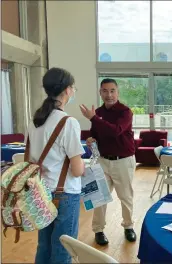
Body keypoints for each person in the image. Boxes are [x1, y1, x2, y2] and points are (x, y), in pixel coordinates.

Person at [29, 67, 85, 264]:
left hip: (40, 191)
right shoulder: (68, 122)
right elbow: (77, 170)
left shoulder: (36, 120)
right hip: (64, 194)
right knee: (63, 250)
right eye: (73, 88)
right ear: (67, 90)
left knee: (44, 246)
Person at [79, 78, 136, 245]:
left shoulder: (125, 112)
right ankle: (98, 230)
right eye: (105, 91)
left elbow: (116, 131)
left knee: (125, 197)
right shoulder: (97, 113)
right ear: (100, 93)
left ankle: (128, 226)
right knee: (99, 197)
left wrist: (94, 118)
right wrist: (91, 139)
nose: (109, 94)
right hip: (103, 161)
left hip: (123, 161)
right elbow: (95, 133)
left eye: (112, 91)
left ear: (117, 92)